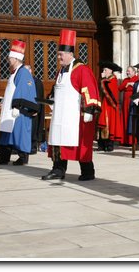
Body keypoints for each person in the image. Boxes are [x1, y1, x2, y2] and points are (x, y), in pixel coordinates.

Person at [41, 29, 101, 181]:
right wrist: (52, 100)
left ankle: (88, 171)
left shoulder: (82, 70)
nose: (59, 57)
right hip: (61, 114)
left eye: (61, 54)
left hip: (75, 116)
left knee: (80, 143)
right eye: (59, 54)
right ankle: (58, 170)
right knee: (57, 140)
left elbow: (90, 90)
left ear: (70, 54)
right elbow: (56, 88)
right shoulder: (60, 71)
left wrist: (89, 110)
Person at [0, 40, 38, 166]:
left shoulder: (23, 73)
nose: (8, 59)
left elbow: (24, 90)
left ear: (16, 58)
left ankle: (23, 157)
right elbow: (11, 91)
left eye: (10, 57)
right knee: (6, 134)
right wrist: (4, 102)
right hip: (10, 110)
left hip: (18, 111)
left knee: (19, 133)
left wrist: (17, 105)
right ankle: (4, 157)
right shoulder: (14, 73)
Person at [97, 61, 124, 152]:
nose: (104, 71)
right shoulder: (105, 79)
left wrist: (103, 80)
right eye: (103, 69)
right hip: (104, 104)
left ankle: (109, 145)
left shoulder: (113, 79)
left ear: (110, 71)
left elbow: (110, 92)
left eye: (105, 70)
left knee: (109, 125)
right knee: (102, 124)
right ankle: (101, 145)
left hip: (110, 106)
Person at [24, 64, 45, 154]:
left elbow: (39, 97)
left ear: (31, 71)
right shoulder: (22, 81)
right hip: (24, 109)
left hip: (34, 109)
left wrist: (36, 109)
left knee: (33, 128)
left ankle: (33, 147)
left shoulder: (37, 82)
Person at [118, 66, 139, 146]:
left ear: (134, 72)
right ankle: (125, 140)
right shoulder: (125, 80)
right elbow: (120, 88)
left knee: (132, 120)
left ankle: (133, 141)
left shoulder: (137, 78)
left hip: (133, 101)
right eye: (127, 71)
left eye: (129, 71)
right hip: (125, 102)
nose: (127, 72)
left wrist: (131, 84)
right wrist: (127, 84)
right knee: (125, 119)